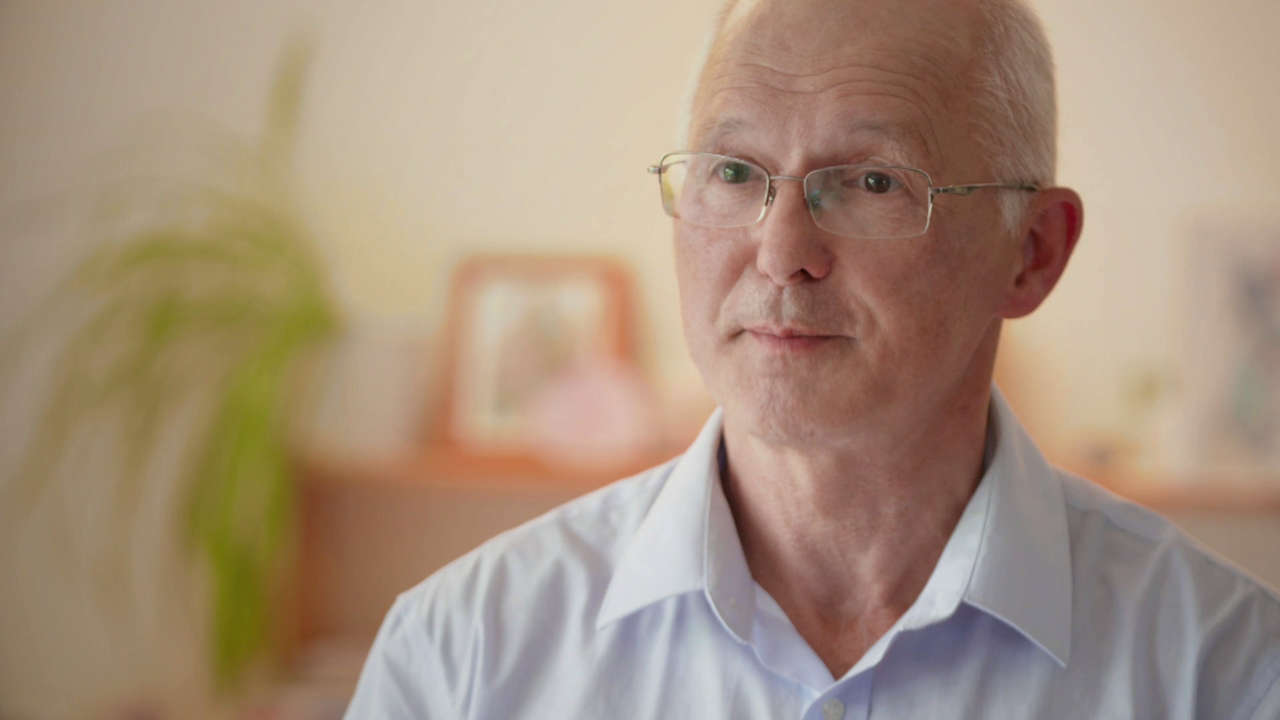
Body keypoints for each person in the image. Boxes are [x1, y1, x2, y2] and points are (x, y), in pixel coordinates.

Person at [346, 0, 1280, 716]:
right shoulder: (463, 655)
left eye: (871, 182)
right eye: (734, 172)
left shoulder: (1225, 671)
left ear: (1032, 252)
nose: (781, 250)